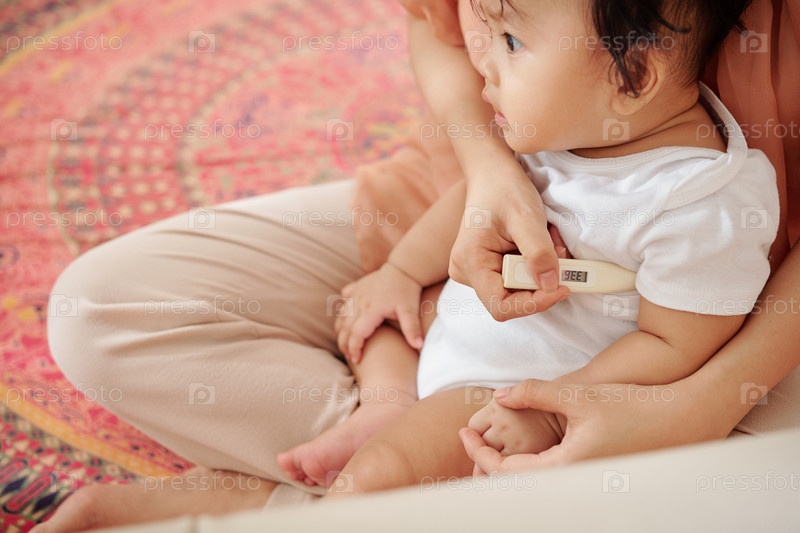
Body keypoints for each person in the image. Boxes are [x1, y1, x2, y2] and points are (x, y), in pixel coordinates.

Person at [37, 0, 799, 531]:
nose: (482, 61)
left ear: (631, 77)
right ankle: (388, 428)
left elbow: (674, 344)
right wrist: (402, 270)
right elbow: (470, 198)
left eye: (511, 44)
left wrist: (550, 406)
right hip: (452, 323)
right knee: (372, 321)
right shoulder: (566, 122)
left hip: (500, 388)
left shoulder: (700, 203)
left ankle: (328, 494)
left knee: (390, 470)